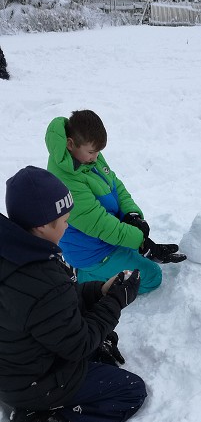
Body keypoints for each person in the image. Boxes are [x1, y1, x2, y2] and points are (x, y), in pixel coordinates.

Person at [0, 166, 146, 422]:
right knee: (130, 391)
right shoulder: (39, 276)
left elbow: (51, 304)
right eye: (64, 221)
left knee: (99, 343)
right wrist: (118, 300)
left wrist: (97, 291)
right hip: (34, 382)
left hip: (15, 366)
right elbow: (78, 344)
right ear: (41, 226)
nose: (68, 227)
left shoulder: (16, 250)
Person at [45, 110, 186, 294]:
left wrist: (131, 215)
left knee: (135, 254)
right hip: (92, 252)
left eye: (98, 152)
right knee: (152, 277)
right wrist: (142, 243)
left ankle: (116, 258)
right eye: (92, 152)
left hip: (107, 237)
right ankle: (84, 278)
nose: (96, 157)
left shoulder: (85, 157)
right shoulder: (66, 182)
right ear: (71, 144)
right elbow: (100, 224)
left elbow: (114, 184)